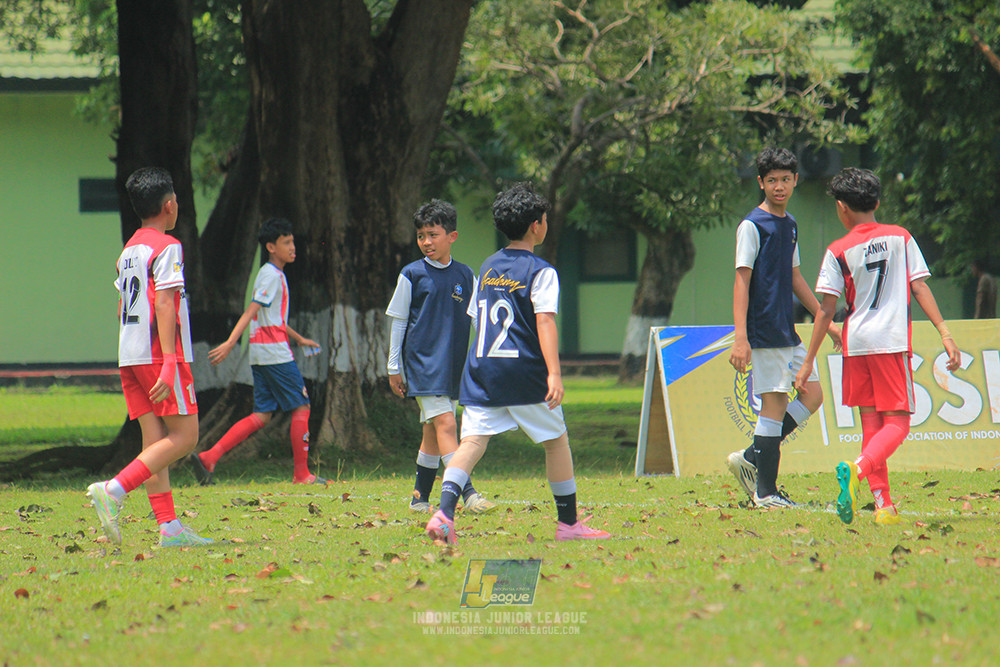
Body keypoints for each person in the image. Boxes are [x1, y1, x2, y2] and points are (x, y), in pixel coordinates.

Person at [425, 183, 610, 543]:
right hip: (523, 373)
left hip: (482, 371)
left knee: (473, 443)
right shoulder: (541, 271)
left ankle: (444, 513)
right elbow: (544, 321)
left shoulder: (488, 266)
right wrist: (554, 373)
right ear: (536, 226)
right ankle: (569, 524)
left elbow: (477, 318)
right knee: (556, 441)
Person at [795, 167, 961, 525]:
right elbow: (919, 287)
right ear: (878, 202)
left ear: (841, 208)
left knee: (871, 425)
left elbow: (825, 310)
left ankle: (884, 507)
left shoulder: (837, 249)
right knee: (898, 424)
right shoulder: (901, 237)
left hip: (856, 345)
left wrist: (808, 362)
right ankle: (856, 470)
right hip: (890, 342)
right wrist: (945, 332)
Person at [86, 167, 213, 548]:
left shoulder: (128, 250)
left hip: (130, 354)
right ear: (170, 205)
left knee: (154, 441)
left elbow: (124, 301)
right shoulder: (168, 246)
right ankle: (114, 489)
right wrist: (172, 358)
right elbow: (164, 300)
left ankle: (169, 527)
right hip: (160, 355)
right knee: (186, 437)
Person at [726, 147, 842, 509]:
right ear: (760, 182)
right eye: (772, 180)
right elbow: (741, 281)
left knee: (813, 395)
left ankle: (751, 458)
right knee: (773, 406)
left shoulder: (789, 224)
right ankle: (766, 492)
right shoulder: (752, 226)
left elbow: (794, 277)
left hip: (786, 329)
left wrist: (828, 319)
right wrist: (741, 338)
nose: (779, 186)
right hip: (763, 330)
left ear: (795, 181)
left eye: (785, 179)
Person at [191, 217, 325, 485]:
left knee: (261, 415)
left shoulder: (271, 274)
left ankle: (209, 457)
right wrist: (230, 342)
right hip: (275, 354)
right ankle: (302, 475)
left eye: (292, 241)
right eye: (286, 242)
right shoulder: (271, 276)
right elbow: (252, 310)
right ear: (271, 247)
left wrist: (299, 339)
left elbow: (273, 318)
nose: (292, 247)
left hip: (261, 354)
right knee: (302, 406)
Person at [386, 200, 496, 515]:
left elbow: (477, 321)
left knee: (432, 432)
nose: (426, 242)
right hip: (422, 364)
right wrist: (393, 366)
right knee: (447, 424)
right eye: (421, 236)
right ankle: (468, 494)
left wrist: (486, 358)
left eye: (433, 235)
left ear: (453, 237)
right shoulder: (411, 274)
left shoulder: (466, 275)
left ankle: (419, 499)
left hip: (452, 366)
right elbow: (399, 320)